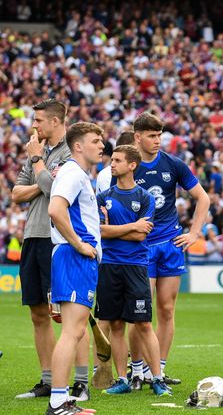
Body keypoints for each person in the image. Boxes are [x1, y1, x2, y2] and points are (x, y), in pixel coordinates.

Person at [12, 100, 91, 402]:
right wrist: (41, 173)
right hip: (32, 235)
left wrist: (38, 169)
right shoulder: (37, 152)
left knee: (72, 314)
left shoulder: (71, 152)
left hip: (59, 239)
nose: (35, 126)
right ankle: (47, 380)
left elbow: (56, 190)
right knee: (37, 313)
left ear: (56, 121)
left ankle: (80, 382)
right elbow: (17, 193)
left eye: (39, 121)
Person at [127, 112, 210, 386]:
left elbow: (203, 198)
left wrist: (195, 233)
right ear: (137, 137)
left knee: (166, 310)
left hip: (171, 244)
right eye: (151, 136)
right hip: (141, 248)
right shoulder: (128, 166)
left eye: (159, 135)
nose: (157, 141)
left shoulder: (173, 164)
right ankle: (136, 369)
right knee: (141, 311)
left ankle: (157, 371)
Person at [95, 145, 172, 396]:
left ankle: (157, 379)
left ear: (132, 165)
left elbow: (142, 235)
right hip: (109, 266)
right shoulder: (104, 196)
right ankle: (122, 379)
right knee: (116, 325)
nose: (111, 164)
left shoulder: (144, 197)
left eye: (117, 160)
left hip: (137, 267)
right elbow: (100, 231)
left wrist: (120, 230)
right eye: (111, 160)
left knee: (143, 324)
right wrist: (132, 226)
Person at [45, 122, 105, 415]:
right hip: (74, 256)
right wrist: (80, 244)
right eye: (96, 140)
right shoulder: (72, 172)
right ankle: (57, 402)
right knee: (72, 332)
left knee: (75, 331)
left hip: (76, 257)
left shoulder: (77, 174)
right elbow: (55, 210)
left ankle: (61, 399)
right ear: (78, 146)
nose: (102, 145)